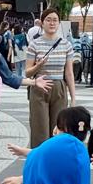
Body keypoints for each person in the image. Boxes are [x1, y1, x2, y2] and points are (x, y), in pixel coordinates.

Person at [25, 9, 76, 147]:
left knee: (58, 127)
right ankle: (39, 160)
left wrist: (73, 98)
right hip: (39, 87)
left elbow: (69, 73)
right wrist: (38, 66)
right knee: (39, 128)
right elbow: (27, 73)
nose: (52, 23)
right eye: (48, 20)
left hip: (59, 88)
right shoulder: (34, 44)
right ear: (42, 23)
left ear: (59, 23)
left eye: (55, 20)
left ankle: (55, 159)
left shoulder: (66, 45)